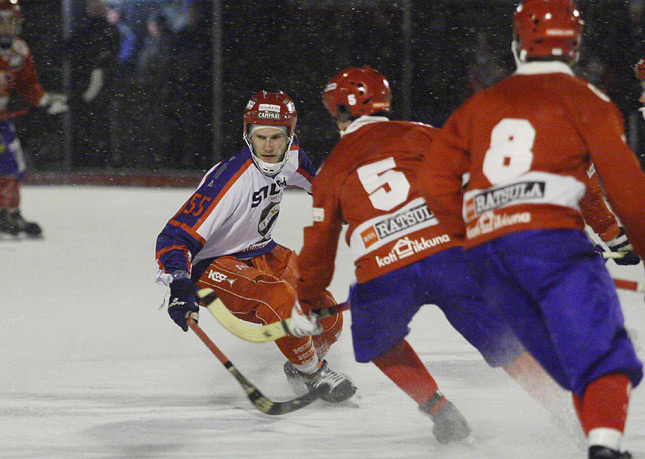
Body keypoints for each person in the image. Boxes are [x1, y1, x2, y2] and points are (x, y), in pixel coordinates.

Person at [288, 66, 582, 445]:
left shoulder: (330, 171)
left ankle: (438, 408)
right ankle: (568, 414)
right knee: (504, 340)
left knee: (376, 338)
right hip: (450, 255)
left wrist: (307, 302)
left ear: (336, 111)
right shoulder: (421, 132)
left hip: (385, 271)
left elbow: (318, 247)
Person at [420, 1, 644, 457]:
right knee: (602, 355)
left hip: (489, 260)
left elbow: (432, 182)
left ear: (518, 46)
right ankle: (604, 444)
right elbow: (626, 193)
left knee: (564, 364)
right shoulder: (588, 102)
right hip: (551, 246)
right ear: (575, 47)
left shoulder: (480, 105)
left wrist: (468, 238)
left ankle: (588, 433)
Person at [155, 90, 356, 404]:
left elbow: (319, 186)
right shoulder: (229, 180)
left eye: (276, 137)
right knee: (281, 300)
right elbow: (174, 238)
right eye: (259, 136)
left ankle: (300, 365)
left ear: (291, 135)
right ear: (246, 134)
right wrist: (180, 283)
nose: (268, 146)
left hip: (262, 251)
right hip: (213, 266)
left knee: (327, 318)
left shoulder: (292, 157)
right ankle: (313, 372)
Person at [0, 0, 68, 238]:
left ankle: (9, 212)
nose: (7, 28)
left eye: (12, 21)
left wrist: (45, 101)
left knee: (13, 164)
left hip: (1, 120)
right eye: (2, 21)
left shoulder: (19, 50)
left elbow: (28, 85)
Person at [66, 0, 120, 168]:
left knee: (100, 128)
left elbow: (107, 60)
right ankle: (87, 162)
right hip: (85, 90)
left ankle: (100, 162)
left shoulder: (107, 32)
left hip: (100, 91)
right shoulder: (84, 32)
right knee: (89, 129)